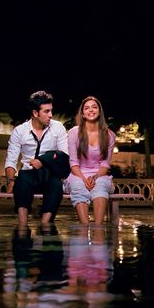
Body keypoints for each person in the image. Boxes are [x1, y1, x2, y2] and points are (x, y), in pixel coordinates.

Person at [4, 90, 69, 228]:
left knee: (56, 185)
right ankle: (22, 226)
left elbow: (64, 155)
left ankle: (45, 225)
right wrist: (10, 181)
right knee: (21, 181)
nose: (50, 115)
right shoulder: (19, 131)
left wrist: (43, 160)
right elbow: (11, 160)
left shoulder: (58, 128)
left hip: (49, 173)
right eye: (46, 111)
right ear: (35, 113)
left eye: (51, 111)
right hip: (28, 174)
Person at [65, 95, 116, 225]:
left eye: (94, 107)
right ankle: (84, 227)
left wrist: (94, 177)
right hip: (78, 173)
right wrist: (84, 179)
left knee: (100, 186)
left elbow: (105, 165)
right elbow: (73, 163)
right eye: (87, 108)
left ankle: (98, 230)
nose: (91, 110)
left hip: (99, 174)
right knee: (78, 186)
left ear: (99, 111)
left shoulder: (109, 135)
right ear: (82, 113)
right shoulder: (73, 133)